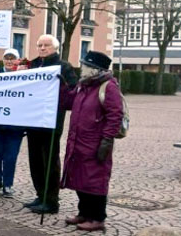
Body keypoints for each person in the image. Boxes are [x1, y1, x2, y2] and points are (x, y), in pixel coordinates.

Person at [62, 51, 123, 232]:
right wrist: (62, 86)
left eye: (86, 66)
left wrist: (107, 139)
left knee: (95, 180)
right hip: (78, 140)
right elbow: (68, 102)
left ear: (95, 69)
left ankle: (97, 218)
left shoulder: (108, 87)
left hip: (95, 142)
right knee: (80, 177)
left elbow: (115, 114)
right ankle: (84, 213)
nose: (82, 68)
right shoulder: (84, 85)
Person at [23, 34, 78, 214]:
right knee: (35, 159)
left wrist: (61, 86)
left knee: (49, 159)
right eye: (39, 45)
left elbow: (73, 90)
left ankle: (52, 199)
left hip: (51, 120)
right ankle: (40, 194)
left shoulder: (63, 67)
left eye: (46, 45)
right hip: (32, 119)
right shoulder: (32, 65)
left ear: (54, 48)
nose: (42, 48)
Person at [0, 48, 26, 198]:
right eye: (6, 58)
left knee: (11, 155)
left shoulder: (24, 77)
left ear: (18, 60)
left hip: (15, 125)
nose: (9, 61)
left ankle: (8, 184)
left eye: (12, 58)